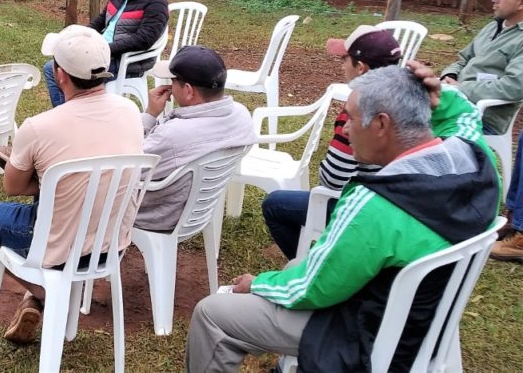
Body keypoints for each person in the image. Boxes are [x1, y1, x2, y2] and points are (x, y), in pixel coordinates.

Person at [185, 64, 500, 373]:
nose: (346, 129)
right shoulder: (476, 162)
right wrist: (438, 96)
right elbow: (466, 117)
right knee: (296, 264)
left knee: (214, 314)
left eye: (351, 117)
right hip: (422, 315)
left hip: (371, 332)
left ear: (381, 124)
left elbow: (312, 288)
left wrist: (257, 284)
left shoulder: (375, 204)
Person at [0, 25, 144, 345]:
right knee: (56, 195)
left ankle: (41, 292)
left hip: (58, 244)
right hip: (110, 244)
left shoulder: (39, 127)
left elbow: (12, 186)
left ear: (59, 75)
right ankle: (43, 296)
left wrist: (42, 176)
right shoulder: (131, 111)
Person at [261, 25, 404, 259]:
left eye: (344, 59)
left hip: (362, 207)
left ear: (361, 67)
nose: (341, 64)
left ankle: (311, 265)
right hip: (395, 205)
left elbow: (333, 180)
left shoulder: (359, 111)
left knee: (275, 205)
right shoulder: (408, 99)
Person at [440, 0, 523, 261]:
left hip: (482, 114)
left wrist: (463, 88)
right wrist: (449, 74)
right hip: (456, 100)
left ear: (521, 1)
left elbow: (515, 85)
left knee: (414, 125)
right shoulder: (492, 27)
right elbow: (462, 58)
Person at [133, 45, 254, 231]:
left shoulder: (172, 135)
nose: (170, 87)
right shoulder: (242, 115)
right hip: (197, 210)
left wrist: (149, 115)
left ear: (189, 91)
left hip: (157, 215)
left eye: (173, 81)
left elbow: (128, 169)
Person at [43, 0, 168, 107]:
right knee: (55, 66)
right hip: (101, 50)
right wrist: (82, 37)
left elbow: (143, 40)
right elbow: (102, 20)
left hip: (121, 59)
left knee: (60, 70)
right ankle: (69, 115)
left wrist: (106, 49)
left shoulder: (156, 3)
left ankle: (69, 116)